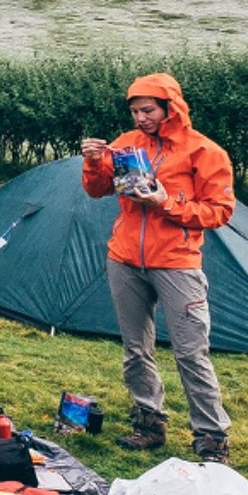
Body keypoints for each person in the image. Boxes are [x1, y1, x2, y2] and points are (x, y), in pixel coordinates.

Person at [80, 73, 237, 465]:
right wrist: (95, 161)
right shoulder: (128, 144)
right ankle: (148, 422)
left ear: (171, 106)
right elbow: (98, 189)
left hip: (177, 263)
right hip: (125, 259)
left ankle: (211, 438)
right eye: (134, 111)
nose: (140, 118)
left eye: (147, 110)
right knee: (136, 349)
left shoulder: (205, 152)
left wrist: (166, 204)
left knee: (191, 353)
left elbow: (220, 212)